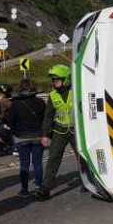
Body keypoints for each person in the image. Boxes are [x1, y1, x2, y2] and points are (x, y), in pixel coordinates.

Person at [37, 64, 78, 200]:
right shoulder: (53, 95)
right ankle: (45, 188)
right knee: (53, 158)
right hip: (59, 130)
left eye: (56, 79)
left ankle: (89, 181)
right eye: (53, 80)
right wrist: (45, 135)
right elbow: (48, 116)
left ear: (65, 79)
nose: (54, 82)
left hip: (76, 130)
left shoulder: (76, 91)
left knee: (82, 157)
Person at [7, 79, 45, 198]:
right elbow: (45, 119)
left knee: (24, 164)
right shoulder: (40, 102)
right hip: (38, 135)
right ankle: (39, 185)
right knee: (37, 163)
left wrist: (15, 133)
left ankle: (24, 189)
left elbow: (10, 121)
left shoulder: (15, 104)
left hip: (21, 136)